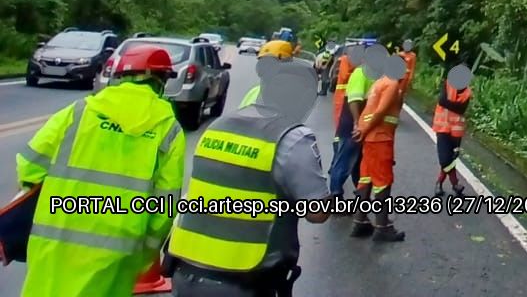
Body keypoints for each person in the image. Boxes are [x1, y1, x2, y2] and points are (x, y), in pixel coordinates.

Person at [15, 43, 185, 297]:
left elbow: (29, 167)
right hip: (118, 250)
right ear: (160, 80)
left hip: (54, 239)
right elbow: (164, 206)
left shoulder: (78, 112)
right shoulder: (168, 130)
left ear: (120, 77)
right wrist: (145, 254)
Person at [166, 56, 330, 296]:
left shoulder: (218, 126)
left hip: (185, 271)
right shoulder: (293, 138)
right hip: (242, 279)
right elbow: (317, 212)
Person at [349, 47, 406, 242]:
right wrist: (364, 130)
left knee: (366, 178)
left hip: (371, 138)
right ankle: (382, 227)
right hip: (380, 138)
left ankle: (360, 222)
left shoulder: (379, 83)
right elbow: (381, 112)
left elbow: (370, 110)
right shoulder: (391, 85)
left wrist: (361, 129)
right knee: (383, 182)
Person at [328, 38, 373, 200]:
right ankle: (335, 196)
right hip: (352, 125)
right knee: (345, 161)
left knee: (358, 162)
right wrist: (356, 123)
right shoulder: (361, 73)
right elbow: (354, 99)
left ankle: (361, 194)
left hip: (361, 125)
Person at [432, 63, 473, 197]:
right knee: (445, 160)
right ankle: (455, 184)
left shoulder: (467, 92)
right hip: (443, 128)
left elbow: (460, 109)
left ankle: (440, 183)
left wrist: (453, 106)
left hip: (456, 132)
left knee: (451, 159)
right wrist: (455, 106)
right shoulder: (447, 84)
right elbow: (442, 101)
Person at [241, 40, 295, 108]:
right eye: (263, 63)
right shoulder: (253, 92)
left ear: (287, 65)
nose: (266, 67)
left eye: (271, 63)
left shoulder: (297, 92)